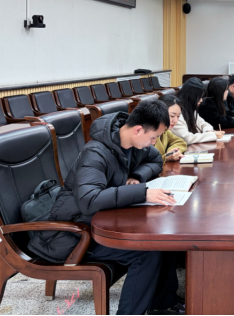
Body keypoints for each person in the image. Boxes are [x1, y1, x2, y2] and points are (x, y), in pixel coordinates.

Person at [28, 101, 182, 315]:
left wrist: (137, 176)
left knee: (164, 238)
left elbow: (156, 159)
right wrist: (142, 192)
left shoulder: (130, 144)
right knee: (146, 251)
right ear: (138, 130)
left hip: (102, 220)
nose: (153, 143)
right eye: (153, 137)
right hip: (74, 233)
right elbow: (88, 200)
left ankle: (163, 303)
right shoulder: (95, 153)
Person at [172, 77, 225, 144]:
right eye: (199, 97)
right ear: (191, 97)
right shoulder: (176, 114)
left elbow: (204, 124)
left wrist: (208, 131)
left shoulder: (190, 109)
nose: (201, 100)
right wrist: (211, 135)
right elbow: (187, 139)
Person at [154, 94, 187, 163]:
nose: (176, 120)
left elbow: (180, 142)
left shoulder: (165, 130)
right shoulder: (148, 131)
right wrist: (165, 157)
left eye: (178, 116)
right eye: (172, 116)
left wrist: (172, 152)